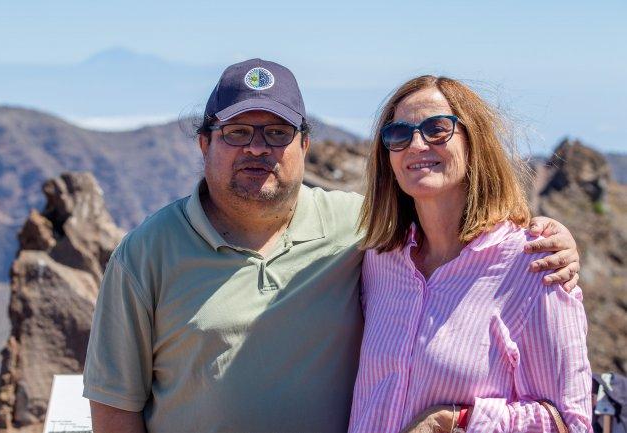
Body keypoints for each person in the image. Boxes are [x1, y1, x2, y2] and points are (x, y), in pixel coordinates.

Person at [83, 59, 582, 433]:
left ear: (305, 145)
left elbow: (571, 416)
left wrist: (550, 239)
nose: (257, 147)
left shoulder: (359, 229)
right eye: (237, 132)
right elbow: (114, 405)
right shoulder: (145, 253)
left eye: (277, 132)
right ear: (204, 144)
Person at [349, 75, 592, 433]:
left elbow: (573, 424)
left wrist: (458, 421)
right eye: (398, 133)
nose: (416, 144)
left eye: (437, 129)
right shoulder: (378, 262)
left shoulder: (535, 264)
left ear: (473, 140)